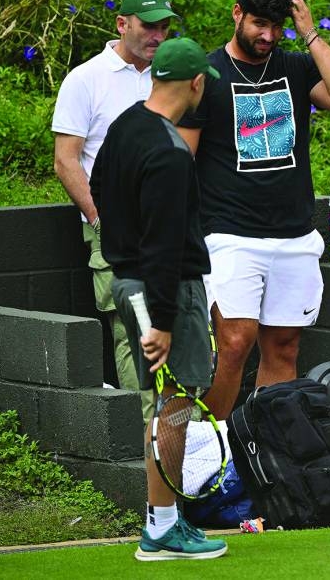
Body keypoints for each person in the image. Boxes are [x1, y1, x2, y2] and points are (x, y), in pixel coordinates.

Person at [178, 0, 330, 420]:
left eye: (277, 25)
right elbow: (181, 161)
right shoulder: (206, 74)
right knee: (236, 341)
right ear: (237, 13)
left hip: (294, 235)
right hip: (230, 234)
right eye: (260, 23)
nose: (268, 35)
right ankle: (213, 449)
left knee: (283, 347)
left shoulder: (297, 67)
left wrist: (310, 34)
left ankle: (262, 450)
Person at [90, 37, 227, 560]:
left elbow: (100, 190)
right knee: (174, 405)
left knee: (165, 404)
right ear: (195, 83)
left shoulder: (125, 127)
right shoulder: (170, 152)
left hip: (129, 282)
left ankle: (163, 521)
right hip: (163, 291)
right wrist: (165, 321)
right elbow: (167, 245)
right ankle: (163, 531)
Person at [52, 0, 178, 423]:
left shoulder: (173, 75)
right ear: (122, 24)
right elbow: (66, 161)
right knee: (130, 329)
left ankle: (186, 438)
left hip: (170, 226)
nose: (158, 36)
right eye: (149, 26)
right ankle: (152, 437)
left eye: (164, 27)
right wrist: (99, 217)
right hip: (114, 225)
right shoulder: (86, 79)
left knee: (182, 323)